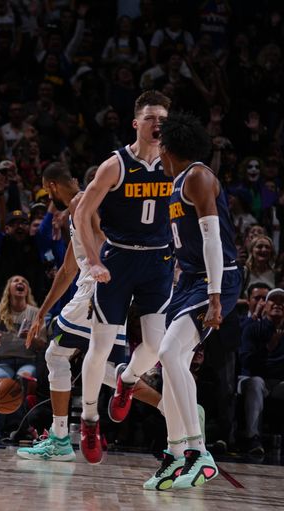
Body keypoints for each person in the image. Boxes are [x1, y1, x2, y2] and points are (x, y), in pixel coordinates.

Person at [17, 163, 163, 461]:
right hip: (111, 292)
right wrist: (42, 311)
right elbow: (69, 268)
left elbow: (103, 237)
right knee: (106, 372)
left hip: (96, 291)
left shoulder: (80, 204)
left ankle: (59, 440)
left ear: (51, 186)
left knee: (56, 356)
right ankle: (170, 406)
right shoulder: (80, 207)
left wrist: (109, 268)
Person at [141, 112, 241, 490]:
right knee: (172, 363)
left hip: (217, 279)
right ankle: (174, 454)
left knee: (168, 353)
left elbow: (213, 240)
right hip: (191, 282)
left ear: (167, 148)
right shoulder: (176, 182)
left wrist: (215, 297)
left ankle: (199, 454)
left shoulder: (198, 176)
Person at [73, 90, 173, 465]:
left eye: (162, 119)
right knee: (99, 349)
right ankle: (89, 420)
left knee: (153, 347)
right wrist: (94, 261)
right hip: (119, 259)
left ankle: (128, 380)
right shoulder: (115, 164)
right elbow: (82, 213)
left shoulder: (173, 162)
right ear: (136, 123)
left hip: (158, 261)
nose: (156, 124)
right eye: (150, 118)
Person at [0, 275, 46, 440]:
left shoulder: (35, 313)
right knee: (2, 381)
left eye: (24, 281)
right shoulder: (0, 310)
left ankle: (19, 426)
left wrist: (32, 339)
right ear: (9, 288)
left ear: (27, 290)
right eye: (16, 281)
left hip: (26, 362)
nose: (20, 283)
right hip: (1, 362)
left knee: (23, 379)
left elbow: (42, 345)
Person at [238, 288, 284, 455]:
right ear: (265, 306)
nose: (278, 304)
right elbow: (247, 362)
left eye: (282, 302)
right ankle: (253, 438)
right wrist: (268, 348)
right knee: (256, 382)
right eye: (273, 300)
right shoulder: (253, 328)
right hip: (250, 378)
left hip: (276, 381)